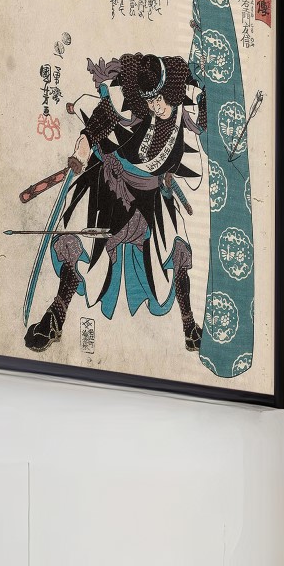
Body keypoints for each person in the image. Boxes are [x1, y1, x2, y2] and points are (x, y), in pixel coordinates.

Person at [24, 51, 208, 352]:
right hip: (110, 181)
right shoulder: (127, 101)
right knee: (78, 237)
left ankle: (189, 324)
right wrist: (82, 150)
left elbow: (206, 126)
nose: (155, 107)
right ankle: (56, 315)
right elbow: (96, 125)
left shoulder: (187, 105)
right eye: (149, 100)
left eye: (159, 99)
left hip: (152, 194)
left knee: (174, 247)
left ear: (172, 91)